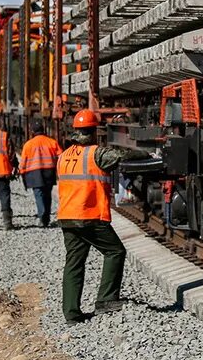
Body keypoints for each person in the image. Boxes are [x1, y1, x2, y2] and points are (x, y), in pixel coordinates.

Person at [57, 109, 144, 324]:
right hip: (88, 216)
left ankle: (71, 313)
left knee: (74, 262)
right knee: (115, 251)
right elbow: (122, 156)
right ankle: (106, 300)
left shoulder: (64, 155)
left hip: (67, 216)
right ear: (94, 131)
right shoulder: (96, 153)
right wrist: (147, 152)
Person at [19, 119, 61, 227]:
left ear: (32, 131)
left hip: (34, 173)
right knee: (47, 194)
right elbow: (61, 156)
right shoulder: (52, 142)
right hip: (49, 171)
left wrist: (22, 172)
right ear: (43, 130)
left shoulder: (28, 144)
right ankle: (46, 218)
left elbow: (23, 162)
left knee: (39, 194)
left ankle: (41, 216)